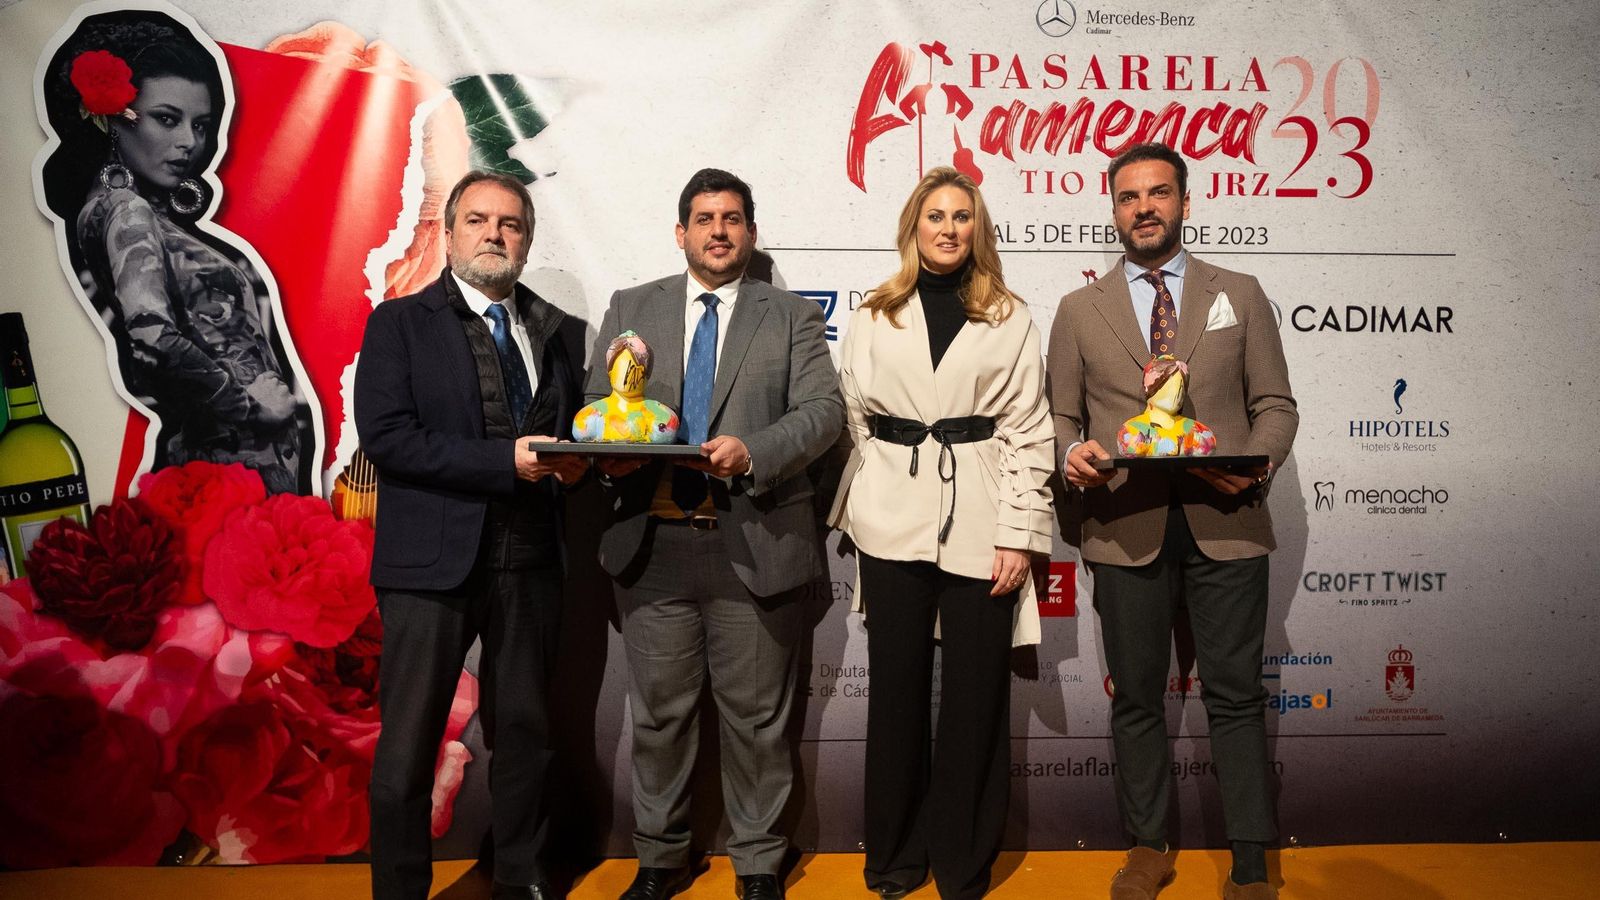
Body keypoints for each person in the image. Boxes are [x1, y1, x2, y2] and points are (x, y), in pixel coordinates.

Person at [1046, 143, 1298, 900]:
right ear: (1113, 210)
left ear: (1187, 203)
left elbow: (1275, 406)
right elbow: (1059, 416)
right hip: (1125, 526)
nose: (1144, 207)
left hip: (1228, 519)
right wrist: (1072, 454)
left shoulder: (1242, 293)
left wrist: (1258, 462)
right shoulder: (1077, 310)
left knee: (1235, 693)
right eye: (1129, 197)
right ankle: (1148, 847)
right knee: (1136, 697)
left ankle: (1252, 857)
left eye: (1159, 193)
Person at [584, 168, 842, 900]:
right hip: (653, 545)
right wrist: (611, 448)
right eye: (704, 218)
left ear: (751, 234)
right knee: (660, 718)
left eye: (732, 218)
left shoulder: (788, 315)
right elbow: (597, 404)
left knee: (759, 721)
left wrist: (755, 451)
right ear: (681, 232)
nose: (718, 230)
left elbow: (824, 411)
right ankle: (662, 857)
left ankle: (759, 861)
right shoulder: (632, 307)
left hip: (753, 544)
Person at [355, 171, 588, 900]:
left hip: (530, 558)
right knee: (407, 746)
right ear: (450, 233)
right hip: (429, 565)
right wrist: (504, 461)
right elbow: (388, 439)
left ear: (526, 239)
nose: (495, 233)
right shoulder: (397, 324)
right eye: (480, 220)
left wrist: (578, 469)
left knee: (524, 733)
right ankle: (399, 891)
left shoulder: (555, 331)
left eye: (511, 224)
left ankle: (519, 878)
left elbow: (565, 438)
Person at [827, 167, 1055, 900]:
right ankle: (893, 858)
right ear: (913, 228)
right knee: (893, 693)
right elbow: (856, 417)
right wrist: (868, 499)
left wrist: (1020, 535)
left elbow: (1027, 431)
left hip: (985, 522)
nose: (949, 227)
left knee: (975, 698)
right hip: (890, 523)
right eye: (935, 215)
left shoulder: (1011, 315)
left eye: (962, 216)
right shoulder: (871, 314)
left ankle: (961, 861)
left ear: (977, 230)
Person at [39, 10, 313, 494]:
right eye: (167, 119)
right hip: (229, 464)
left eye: (201, 125)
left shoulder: (126, 211)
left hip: (243, 462)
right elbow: (148, 331)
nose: (189, 142)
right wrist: (246, 403)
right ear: (113, 121)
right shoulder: (126, 211)